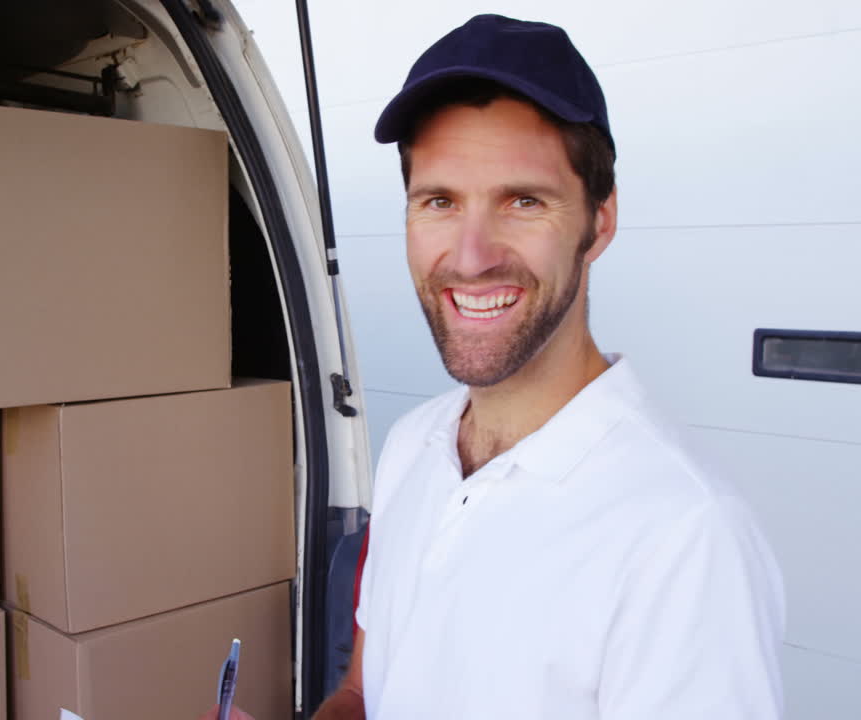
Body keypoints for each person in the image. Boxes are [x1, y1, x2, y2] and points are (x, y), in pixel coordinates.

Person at [207, 13, 785, 720]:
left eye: (524, 201)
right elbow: (364, 691)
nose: (472, 256)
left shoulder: (684, 535)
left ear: (599, 221)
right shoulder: (414, 445)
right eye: (440, 201)